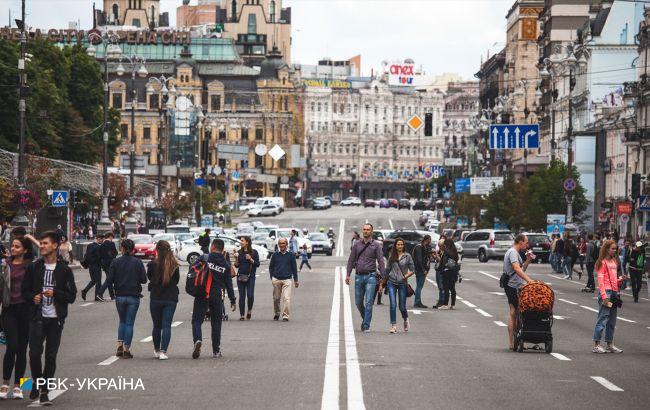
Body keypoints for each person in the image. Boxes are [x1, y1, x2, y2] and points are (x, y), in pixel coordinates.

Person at [21, 231, 76, 405]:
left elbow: (72, 296)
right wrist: (33, 298)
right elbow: (25, 291)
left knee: (51, 357)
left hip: (55, 319)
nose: (42, 246)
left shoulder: (64, 270)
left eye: (45, 243)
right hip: (37, 317)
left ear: (55, 246)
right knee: (35, 354)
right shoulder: (34, 267)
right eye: (41, 243)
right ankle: (36, 382)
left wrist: (56, 293)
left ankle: (44, 391)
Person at [0, 237, 34, 400]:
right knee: (12, 346)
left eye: (17, 246)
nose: (12, 248)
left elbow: (47, 254)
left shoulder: (31, 266)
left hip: (26, 310)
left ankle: (20, 386)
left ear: (25, 249)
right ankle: (5, 384)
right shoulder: (4, 265)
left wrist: (31, 238)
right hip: (9, 309)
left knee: (22, 349)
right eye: (12, 246)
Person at [191, 239, 236, 359]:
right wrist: (232, 300)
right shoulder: (225, 264)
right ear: (222, 249)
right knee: (216, 323)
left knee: (197, 320)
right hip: (217, 295)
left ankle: (197, 340)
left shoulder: (204, 257)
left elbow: (192, 270)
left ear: (212, 247)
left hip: (202, 293)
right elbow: (229, 284)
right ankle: (216, 351)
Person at [107, 239, 147, 359]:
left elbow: (109, 279)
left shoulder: (115, 261)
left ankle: (119, 345)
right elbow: (144, 279)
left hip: (120, 295)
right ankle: (126, 349)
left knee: (122, 321)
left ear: (122, 248)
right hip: (134, 296)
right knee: (129, 323)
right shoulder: (138, 262)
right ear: (133, 248)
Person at [345, 223, 385, 332]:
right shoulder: (357, 244)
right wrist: (348, 274)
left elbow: (381, 261)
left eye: (368, 229)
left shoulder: (376, 245)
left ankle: (366, 325)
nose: (366, 231)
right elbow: (351, 260)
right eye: (364, 229)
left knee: (368, 302)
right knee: (358, 302)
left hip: (371, 276)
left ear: (371, 231)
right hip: (358, 276)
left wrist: (383, 277)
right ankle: (365, 318)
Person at [147, 240, 180, 360]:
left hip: (156, 297)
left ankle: (156, 349)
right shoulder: (174, 265)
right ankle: (163, 351)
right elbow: (176, 281)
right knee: (166, 326)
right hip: (170, 297)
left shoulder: (152, 264)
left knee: (156, 326)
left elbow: (149, 278)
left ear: (157, 250)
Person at [592, 240, 627, 353]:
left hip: (614, 292)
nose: (615, 250)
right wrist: (604, 296)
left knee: (612, 321)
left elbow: (612, 280)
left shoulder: (614, 262)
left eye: (615, 248)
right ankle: (596, 345)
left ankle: (610, 344)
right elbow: (601, 282)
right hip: (606, 293)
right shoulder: (601, 262)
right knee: (602, 318)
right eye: (612, 248)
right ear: (606, 249)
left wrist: (621, 279)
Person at [503, 234, 534, 351]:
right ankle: (512, 342)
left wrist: (528, 260)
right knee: (513, 312)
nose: (527, 245)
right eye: (526, 242)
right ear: (520, 242)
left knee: (519, 313)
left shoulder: (517, 254)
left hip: (518, 285)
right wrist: (529, 280)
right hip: (512, 286)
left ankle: (518, 339)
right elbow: (516, 268)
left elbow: (521, 269)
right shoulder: (512, 252)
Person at [379, 238, 414, 333]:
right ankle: (393, 326)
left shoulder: (407, 256)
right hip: (391, 282)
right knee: (393, 304)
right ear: (395, 245)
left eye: (401, 245)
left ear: (403, 246)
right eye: (398, 244)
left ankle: (405, 319)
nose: (400, 246)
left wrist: (405, 276)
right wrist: (382, 283)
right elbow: (387, 270)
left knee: (402, 306)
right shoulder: (392, 256)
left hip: (402, 283)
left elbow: (412, 270)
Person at [269, 238, 298, 321]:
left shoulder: (291, 255)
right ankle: (277, 313)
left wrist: (296, 280)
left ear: (286, 244)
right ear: (278, 245)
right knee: (276, 298)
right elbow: (271, 267)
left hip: (287, 280)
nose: (281, 245)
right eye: (280, 243)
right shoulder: (275, 255)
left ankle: (285, 315)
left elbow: (294, 268)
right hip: (276, 279)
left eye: (283, 243)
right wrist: (272, 277)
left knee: (286, 298)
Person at [233, 237, 260, 321]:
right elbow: (237, 265)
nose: (241, 242)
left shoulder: (254, 252)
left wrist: (250, 259)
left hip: (250, 277)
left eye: (242, 241)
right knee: (242, 296)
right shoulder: (239, 252)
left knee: (250, 295)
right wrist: (236, 258)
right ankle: (242, 315)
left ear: (247, 242)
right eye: (240, 241)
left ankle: (249, 310)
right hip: (240, 276)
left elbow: (257, 264)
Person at [81, 235, 104, 301]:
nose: (102, 241)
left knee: (94, 280)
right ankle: (97, 296)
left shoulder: (90, 245)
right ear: (99, 239)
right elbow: (98, 257)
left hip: (90, 266)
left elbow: (86, 255)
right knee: (98, 281)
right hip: (97, 266)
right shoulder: (98, 247)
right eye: (102, 240)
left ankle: (85, 291)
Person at [439, 238, 460, 310]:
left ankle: (445, 304)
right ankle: (453, 304)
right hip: (453, 272)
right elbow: (456, 261)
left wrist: (440, 269)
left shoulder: (446, 251)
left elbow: (443, 262)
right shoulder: (455, 251)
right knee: (452, 288)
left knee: (446, 288)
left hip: (447, 272)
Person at [412, 235, 431, 308]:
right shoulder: (419, 247)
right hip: (420, 269)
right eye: (430, 239)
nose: (430, 241)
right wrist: (423, 270)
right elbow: (419, 260)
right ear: (427, 239)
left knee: (419, 286)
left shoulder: (424, 247)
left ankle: (418, 301)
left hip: (420, 269)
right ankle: (417, 302)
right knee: (419, 286)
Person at [98, 232, 118, 300]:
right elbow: (115, 253)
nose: (112, 238)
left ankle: (112, 295)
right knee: (109, 279)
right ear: (110, 236)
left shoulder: (102, 244)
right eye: (112, 237)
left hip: (104, 264)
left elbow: (100, 255)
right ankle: (100, 293)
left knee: (109, 279)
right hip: (110, 263)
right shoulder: (111, 243)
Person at [430, 239, 446, 309]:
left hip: (442, 271)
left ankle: (442, 301)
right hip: (438, 270)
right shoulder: (440, 251)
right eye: (439, 246)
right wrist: (433, 255)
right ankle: (440, 301)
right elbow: (437, 260)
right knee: (439, 287)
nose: (440, 247)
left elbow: (440, 260)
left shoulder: (445, 252)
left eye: (441, 246)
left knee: (442, 287)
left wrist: (436, 253)